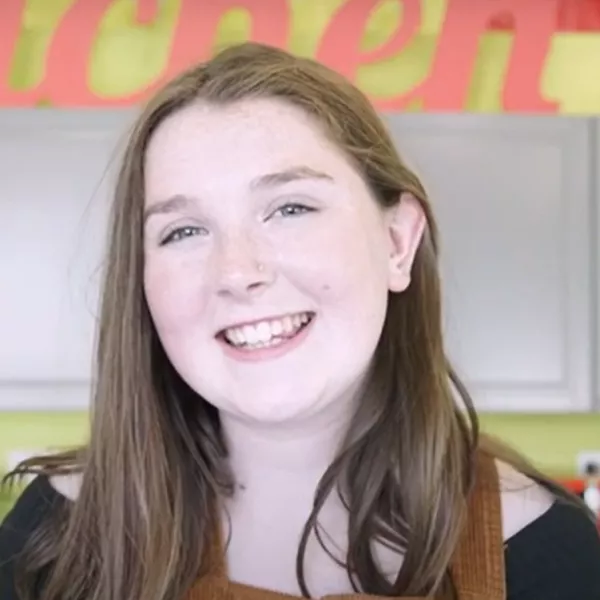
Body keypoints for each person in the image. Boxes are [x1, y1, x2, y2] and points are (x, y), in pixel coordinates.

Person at [1, 42, 599, 600]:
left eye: (291, 208)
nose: (238, 271)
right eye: (183, 231)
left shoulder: (547, 550)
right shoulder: (51, 538)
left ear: (397, 242)